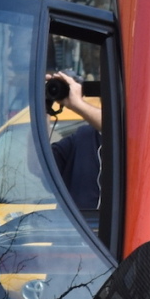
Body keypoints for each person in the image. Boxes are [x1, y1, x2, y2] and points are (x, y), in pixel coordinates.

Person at [45, 71, 104, 218]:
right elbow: (38, 165)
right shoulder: (82, 137)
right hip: (75, 235)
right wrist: (43, 106)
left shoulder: (147, 137)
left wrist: (77, 104)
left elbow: (127, 129)